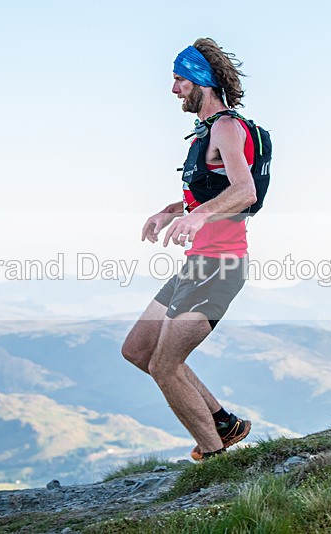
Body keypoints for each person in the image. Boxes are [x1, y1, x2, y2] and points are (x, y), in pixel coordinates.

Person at [121, 38, 258, 460]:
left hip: (221, 266)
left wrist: (197, 218)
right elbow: (205, 193)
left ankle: (214, 459)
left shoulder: (227, 128)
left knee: (165, 367)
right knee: (138, 350)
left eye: (179, 79)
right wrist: (171, 210)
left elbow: (244, 190)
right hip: (197, 265)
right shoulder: (203, 134)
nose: (174, 89)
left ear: (201, 80)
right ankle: (223, 423)